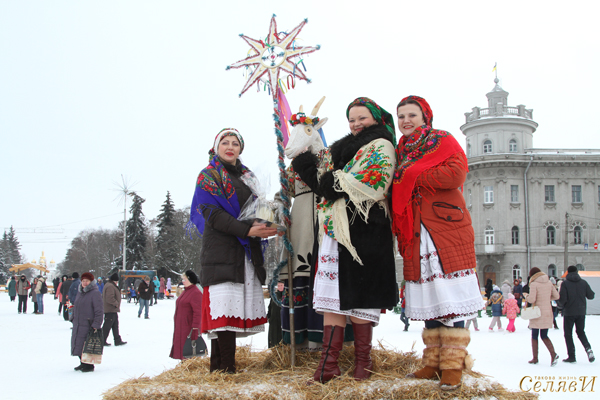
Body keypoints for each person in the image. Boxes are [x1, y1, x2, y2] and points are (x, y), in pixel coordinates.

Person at [291, 98, 399, 382]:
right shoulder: (338, 149)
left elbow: (371, 182)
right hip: (334, 231)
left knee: (361, 297)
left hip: (364, 231)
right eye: (351, 119)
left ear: (375, 118)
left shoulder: (381, 145)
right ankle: (329, 363)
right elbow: (321, 181)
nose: (355, 123)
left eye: (361, 118)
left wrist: (329, 182)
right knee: (332, 301)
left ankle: (364, 361)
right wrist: (304, 159)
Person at [391, 95, 483, 390]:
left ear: (424, 117)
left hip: (445, 227)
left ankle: (453, 365)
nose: (406, 120)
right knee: (430, 301)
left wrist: (413, 176)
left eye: (412, 115)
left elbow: (457, 172)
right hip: (415, 233)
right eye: (401, 115)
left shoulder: (440, 140)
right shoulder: (400, 151)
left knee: (451, 300)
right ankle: (432, 362)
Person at [190, 128, 276, 374]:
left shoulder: (248, 177)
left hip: (245, 253)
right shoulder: (208, 176)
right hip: (221, 250)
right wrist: (247, 231)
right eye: (225, 143)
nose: (230, 147)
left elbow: (256, 208)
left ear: (241, 148)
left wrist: (267, 220)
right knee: (223, 312)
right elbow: (212, 214)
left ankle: (218, 368)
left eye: (235, 143)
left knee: (229, 313)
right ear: (216, 148)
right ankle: (226, 369)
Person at [558, 265, 595, 363]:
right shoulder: (583, 283)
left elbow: (563, 300)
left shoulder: (565, 284)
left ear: (568, 273)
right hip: (581, 312)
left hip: (569, 312)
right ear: (577, 272)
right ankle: (588, 349)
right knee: (581, 332)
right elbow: (591, 296)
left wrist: (559, 306)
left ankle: (572, 356)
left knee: (568, 334)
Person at [524, 267, 560, 366]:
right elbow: (557, 296)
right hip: (547, 311)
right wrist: (547, 299)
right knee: (544, 335)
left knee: (534, 335)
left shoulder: (534, 284)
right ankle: (553, 354)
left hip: (537, 313)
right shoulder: (549, 282)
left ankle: (535, 358)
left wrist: (526, 296)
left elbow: (531, 299)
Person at [71, 272, 103, 373]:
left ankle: (89, 365)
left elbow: (99, 310)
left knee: (87, 345)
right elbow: (76, 306)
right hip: (78, 323)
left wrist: (96, 324)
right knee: (78, 344)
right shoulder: (80, 292)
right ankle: (82, 363)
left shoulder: (95, 293)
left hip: (88, 323)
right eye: (83, 281)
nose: (85, 283)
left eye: (87, 281)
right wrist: (73, 318)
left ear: (91, 282)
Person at [169, 270, 203, 360]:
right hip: (181, 326)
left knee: (189, 349)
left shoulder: (196, 292)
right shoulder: (186, 291)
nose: (182, 281)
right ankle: (183, 365)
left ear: (190, 280)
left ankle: (190, 366)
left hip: (189, 327)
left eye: (184, 279)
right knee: (182, 347)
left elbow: (198, 312)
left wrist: (195, 327)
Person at [102, 273, 127, 347]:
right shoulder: (110, 286)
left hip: (112, 309)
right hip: (110, 309)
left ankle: (117, 340)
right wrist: (116, 303)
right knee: (107, 325)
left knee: (115, 325)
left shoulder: (110, 285)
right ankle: (102, 340)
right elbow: (109, 297)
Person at [267, 282, 283, 348]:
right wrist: (268, 316)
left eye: (281, 285)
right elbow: (270, 307)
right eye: (278, 285)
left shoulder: (287, 296)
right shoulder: (274, 296)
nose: (280, 287)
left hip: (282, 320)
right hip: (274, 320)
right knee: (273, 337)